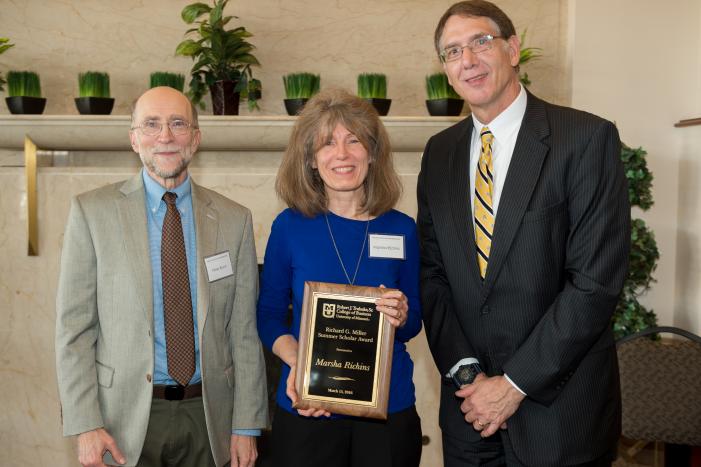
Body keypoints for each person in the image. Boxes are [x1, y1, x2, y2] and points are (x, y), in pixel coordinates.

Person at [417, 1, 631, 466]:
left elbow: (595, 282)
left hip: (558, 418)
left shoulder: (585, 139)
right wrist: (468, 376)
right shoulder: (439, 154)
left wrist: (512, 385)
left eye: (480, 42)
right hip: (468, 416)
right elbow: (433, 276)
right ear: (447, 72)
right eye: (452, 52)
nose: (468, 59)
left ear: (513, 49)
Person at [55, 86, 268, 467]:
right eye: (151, 124)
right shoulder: (92, 214)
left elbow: (244, 332)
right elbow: (74, 330)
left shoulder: (235, 220)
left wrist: (247, 425)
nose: (165, 136)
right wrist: (85, 423)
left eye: (177, 124)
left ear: (196, 138)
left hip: (210, 418)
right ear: (133, 139)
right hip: (121, 421)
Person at [256, 88, 423, 467]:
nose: (342, 154)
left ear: (373, 153)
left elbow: (413, 324)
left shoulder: (402, 230)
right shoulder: (290, 227)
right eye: (327, 143)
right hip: (307, 406)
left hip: (388, 409)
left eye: (354, 141)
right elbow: (268, 315)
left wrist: (400, 312)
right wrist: (299, 365)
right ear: (312, 160)